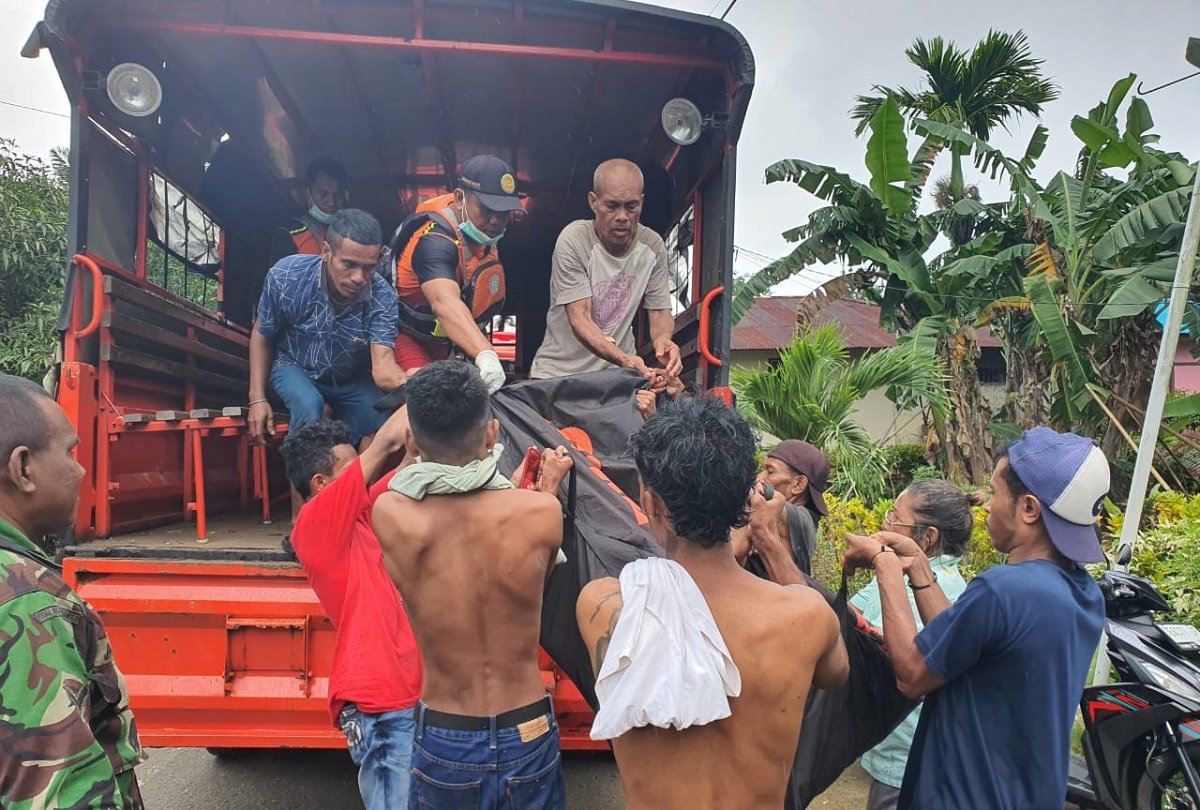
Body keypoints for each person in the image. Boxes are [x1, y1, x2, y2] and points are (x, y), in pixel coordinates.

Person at [576, 396, 848, 809]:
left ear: (651, 504)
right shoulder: (807, 617)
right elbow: (836, 673)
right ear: (747, 497)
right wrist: (768, 536)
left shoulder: (605, 605)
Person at [843, 428, 1109, 809]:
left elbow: (912, 675)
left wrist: (884, 566)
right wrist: (918, 566)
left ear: (1029, 508)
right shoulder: (1082, 593)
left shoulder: (1001, 590)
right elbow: (965, 639)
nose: (986, 506)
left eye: (996, 492)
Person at [372, 361, 573, 808]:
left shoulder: (392, 516)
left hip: (446, 731)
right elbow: (537, 571)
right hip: (528, 727)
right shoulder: (540, 514)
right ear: (492, 434)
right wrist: (539, 491)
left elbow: (415, 487)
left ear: (411, 441)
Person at [0, 374, 144, 808]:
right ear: (23, 468)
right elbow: (59, 794)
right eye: (69, 452)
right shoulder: (26, 604)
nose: (81, 469)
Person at [278, 408, 423, 810]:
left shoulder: (361, 513)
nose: (363, 472)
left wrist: (413, 455)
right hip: (382, 704)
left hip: (402, 698)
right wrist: (436, 386)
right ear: (321, 484)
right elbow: (387, 443)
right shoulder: (315, 523)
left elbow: (405, 466)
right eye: (352, 466)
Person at [848, 480, 979, 810]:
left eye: (894, 517)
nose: (885, 523)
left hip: (907, 757)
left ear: (928, 536)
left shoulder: (936, 590)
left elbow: (909, 668)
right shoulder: (901, 575)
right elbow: (852, 613)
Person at [249, 207, 406, 450]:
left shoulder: (383, 296)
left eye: (369, 268)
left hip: (349, 379)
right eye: (349, 264)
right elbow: (262, 334)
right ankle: (306, 488)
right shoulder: (287, 276)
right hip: (293, 366)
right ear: (326, 252)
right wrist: (257, 399)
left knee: (379, 416)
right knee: (310, 406)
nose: (359, 277)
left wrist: (415, 381)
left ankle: (358, 486)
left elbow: (383, 366)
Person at [530, 158, 682, 382]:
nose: (622, 216)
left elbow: (659, 310)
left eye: (631, 206)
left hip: (617, 377)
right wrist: (625, 359)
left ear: (641, 202)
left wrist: (664, 341)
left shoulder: (653, 246)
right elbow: (580, 317)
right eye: (612, 206)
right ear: (593, 202)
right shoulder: (574, 240)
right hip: (558, 376)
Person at [390, 155, 522, 393]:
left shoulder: (486, 237)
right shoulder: (433, 239)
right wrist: (486, 354)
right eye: (487, 208)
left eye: (503, 213)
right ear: (460, 198)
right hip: (410, 340)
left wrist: (496, 355)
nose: (495, 220)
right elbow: (444, 301)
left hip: (451, 346)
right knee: (426, 406)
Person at [742, 440, 830, 579]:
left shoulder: (804, 520)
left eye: (770, 472)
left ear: (798, 484)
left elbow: (774, 510)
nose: (759, 478)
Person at [271, 157, 349, 261]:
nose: (331, 202)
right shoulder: (290, 235)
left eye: (337, 195)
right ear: (307, 193)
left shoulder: (354, 233)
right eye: (323, 194)